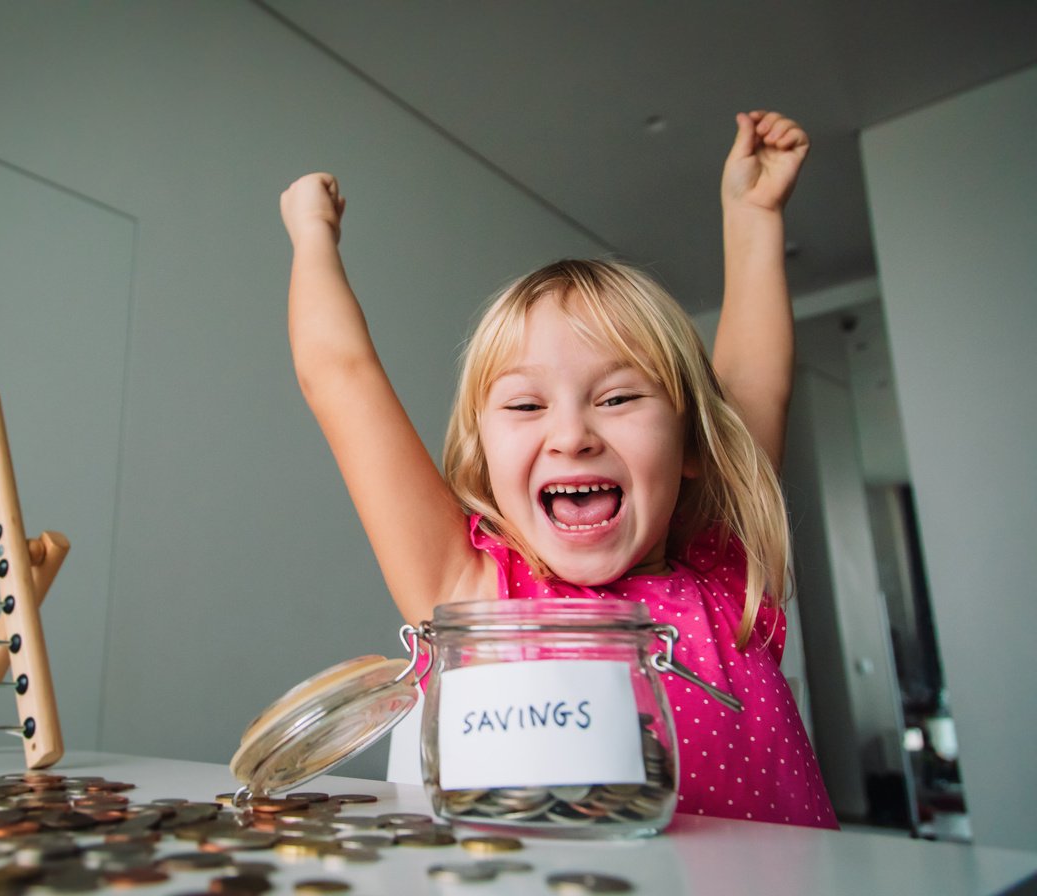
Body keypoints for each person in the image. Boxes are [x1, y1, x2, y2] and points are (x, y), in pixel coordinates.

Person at [279, 111, 834, 828]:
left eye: (619, 397)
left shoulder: (730, 582)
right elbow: (340, 377)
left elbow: (755, 385)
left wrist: (754, 215)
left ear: (695, 446)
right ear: (485, 455)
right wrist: (311, 234)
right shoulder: (473, 598)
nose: (572, 435)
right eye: (526, 404)